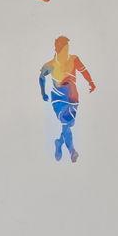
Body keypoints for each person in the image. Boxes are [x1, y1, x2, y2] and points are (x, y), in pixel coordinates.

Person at [38, 35, 96, 163]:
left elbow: (84, 71)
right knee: (66, 123)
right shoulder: (51, 65)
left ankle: (59, 142)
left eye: (68, 49)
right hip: (59, 97)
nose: (67, 52)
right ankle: (72, 151)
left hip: (73, 96)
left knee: (69, 124)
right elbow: (41, 77)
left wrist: (91, 82)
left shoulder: (74, 59)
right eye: (65, 50)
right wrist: (43, 93)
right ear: (58, 50)